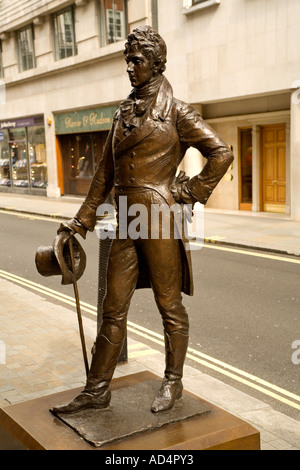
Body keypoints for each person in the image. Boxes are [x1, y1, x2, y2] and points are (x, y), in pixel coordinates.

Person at [52, 26, 233, 415]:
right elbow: (104, 174)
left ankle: (173, 382)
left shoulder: (178, 112)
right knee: (112, 306)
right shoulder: (121, 112)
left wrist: (188, 193)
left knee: (169, 305)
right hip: (126, 222)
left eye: (137, 60)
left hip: (159, 217)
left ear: (156, 63)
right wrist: (79, 222)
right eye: (127, 60)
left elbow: (221, 153)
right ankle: (97, 389)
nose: (130, 67)